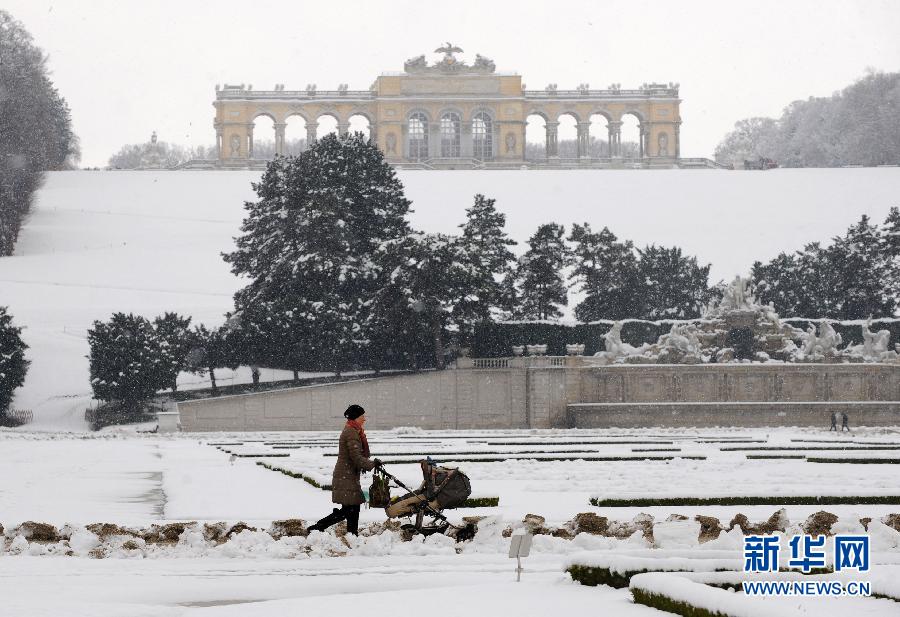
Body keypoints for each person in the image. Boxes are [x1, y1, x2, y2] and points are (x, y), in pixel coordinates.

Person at [307, 404, 381, 535]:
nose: (364, 419)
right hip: (346, 476)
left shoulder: (354, 430)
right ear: (356, 417)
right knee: (350, 509)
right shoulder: (351, 432)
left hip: (348, 474)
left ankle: (351, 533)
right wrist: (372, 464)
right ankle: (319, 527)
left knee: (351, 508)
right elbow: (356, 457)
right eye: (362, 416)